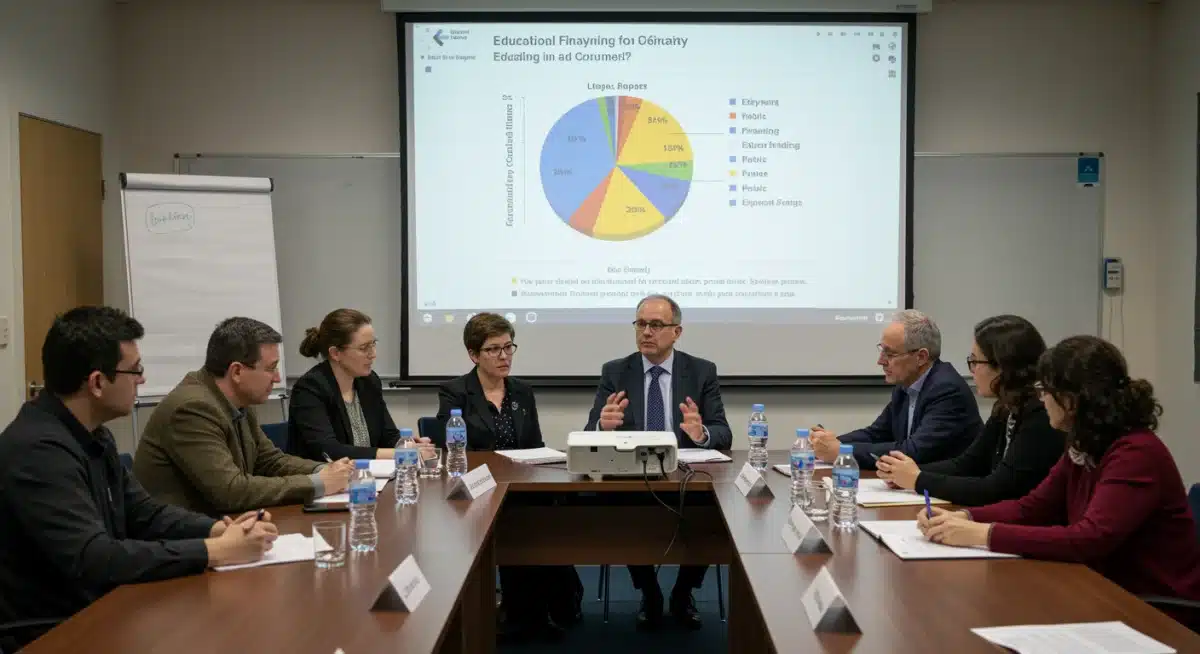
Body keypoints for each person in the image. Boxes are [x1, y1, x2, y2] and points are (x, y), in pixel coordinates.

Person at [0, 307, 278, 651]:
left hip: (107, 609)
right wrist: (214, 551)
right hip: (58, 632)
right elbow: (93, 557)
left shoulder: (94, 435)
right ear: (98, 382)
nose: (142, 381)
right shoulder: (36, 450)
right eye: (136, 371)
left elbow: (144, 512)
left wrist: (218, 529)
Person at [918, 335, 1200, 626]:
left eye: (1045, 389)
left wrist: (982, 534)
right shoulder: (1085, 443)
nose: (1041, 397)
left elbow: (1090, 538)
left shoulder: (1136, 453)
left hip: (1153, 612)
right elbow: (1032, 508)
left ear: (1072, 398)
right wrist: (964, 516)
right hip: (1100, 590)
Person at [584, 294, 732, 630]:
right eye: (641, 324)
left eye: (656, 325)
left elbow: (724, 434)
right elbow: (589, 432)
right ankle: (649, 592)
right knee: (621, 511)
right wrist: (601, 426)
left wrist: (700, 433)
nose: (646, 332)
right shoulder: (616, 371)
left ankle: (683, 592)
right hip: (632, 482)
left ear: (677, 332)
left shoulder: (700, 371)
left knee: (712, 513)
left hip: (684, 481)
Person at [436, 313, 579, 643]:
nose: (504, 356)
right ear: (474, 355)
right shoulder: (456, 393)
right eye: (493, 349)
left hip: (521, 486)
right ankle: (515, 613)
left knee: (550, 515)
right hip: (479, 488)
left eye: (508, 347)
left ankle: (535, 611)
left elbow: (534, 444)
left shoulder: (521, 391)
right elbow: (458, 450)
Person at [134, 317, 354, 515]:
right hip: (185, 542)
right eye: (271, 368)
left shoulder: (236, 400)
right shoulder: (192, 409)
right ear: (237, 372)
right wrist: (317, 483)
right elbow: (231, 491)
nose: (277, 378)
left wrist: (325, 470)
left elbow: (270, 461)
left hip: (224, 526)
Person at [876, 315, 1064, 505]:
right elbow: (969, 464)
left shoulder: (1040, 415)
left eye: (975, 361)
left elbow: (998, 489)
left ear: (1003, 365)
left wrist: (917, 479)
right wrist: (910, 473)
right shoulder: (1006, 408)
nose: (971, 370)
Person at [810, 309, 980, 469]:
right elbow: (877, 433)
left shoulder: (947, 390)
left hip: (954, 493)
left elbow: (913, 451)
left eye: (890, 354)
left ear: (921, 357)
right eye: (882, 351)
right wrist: (828, 444)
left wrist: (841, 452)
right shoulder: (905, 386)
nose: (881, 361)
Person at [288, 308, 427, 461]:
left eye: (373, 344)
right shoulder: (310, 388)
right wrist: (395, 454)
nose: (373, 354)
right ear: (335, 353)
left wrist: (406, 445)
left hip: (368, 477)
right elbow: (328, 450)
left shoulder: (369, 381)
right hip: (325, 480)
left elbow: (387, 435)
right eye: (364, 348)